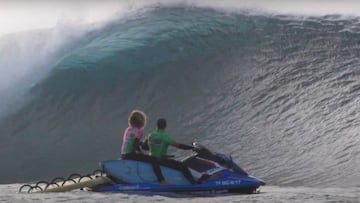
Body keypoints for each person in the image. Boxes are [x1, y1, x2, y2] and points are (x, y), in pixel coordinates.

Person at [120, 110, 169, 185]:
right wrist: (141, 152)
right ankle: (161, 180)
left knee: (144, 158)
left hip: (123, 154)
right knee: (153, 159)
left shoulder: (128, 129)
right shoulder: (138, 131)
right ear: (141, 121)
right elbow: (135, 145)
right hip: (130, 155)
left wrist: (140, 144)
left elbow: (130, 141)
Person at [142, 118, 197, 184]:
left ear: (156, 125)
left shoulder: (150, 135)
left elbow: (143, 147)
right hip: (160, 160)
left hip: (152, 159)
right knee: (182, 165)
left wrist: (153, 147)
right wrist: (191, 148)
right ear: (165, 126)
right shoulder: (164, 136)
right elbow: (179, 145)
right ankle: (193, 183)